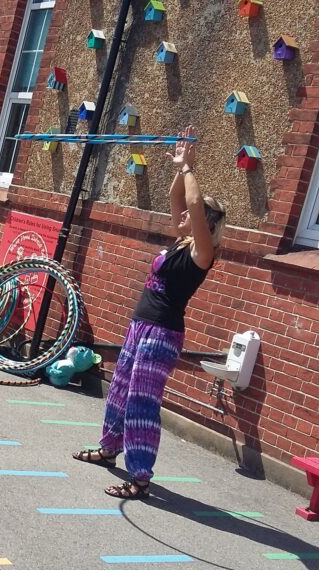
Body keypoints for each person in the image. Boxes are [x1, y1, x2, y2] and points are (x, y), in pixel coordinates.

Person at [72, 126, 227, 499]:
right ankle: (110, 449)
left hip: (162, 335)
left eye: (194, 216)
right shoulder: (181, 241)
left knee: (142, 401)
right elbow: (179, 202)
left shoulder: (201, 253)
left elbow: (190, 204)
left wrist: (191, 171)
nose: (185, 217)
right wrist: (179, 165)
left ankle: (141, 476)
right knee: (120, 390)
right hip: (140, 327)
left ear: (204, 223)